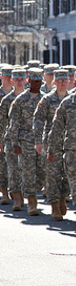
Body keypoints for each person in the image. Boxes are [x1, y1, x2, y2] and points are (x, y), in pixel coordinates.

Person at [47, 70, 76, 229]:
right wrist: (52, 149)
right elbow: (57, 127)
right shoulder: (67, 103)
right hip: (72, 150)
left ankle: (66, 197)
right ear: (75, 83)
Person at [7, 68, 45, 216]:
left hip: (42, 142)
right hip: (26, 141)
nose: (37, 84)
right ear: (29, 82)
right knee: (29, 171)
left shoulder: (45, 99)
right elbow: (13, 123)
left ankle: (28, 191)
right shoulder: (21, 100)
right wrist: (14, 143)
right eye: (34, 81)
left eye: (39, 81)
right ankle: (32, 202)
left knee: (42, 173)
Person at [33, 69, 70, 221]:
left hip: (70, 142)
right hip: (52, 143)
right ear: (54, 82)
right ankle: (54, 205)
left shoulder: (73, 99)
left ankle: (63, 195)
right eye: (59, 80)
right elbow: (38, 120)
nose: (62, 83)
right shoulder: (47, 100)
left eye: (64, 80)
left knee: (69, 174)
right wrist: (38, 141)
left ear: (68, 81)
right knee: (53, 175)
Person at [0, 68, 26, 211]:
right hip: (10, 139)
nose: (19, 82)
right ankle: (15, 196)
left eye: (21, 79)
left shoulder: (32, 98)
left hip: (28, 140)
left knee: (28, 170)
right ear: (12, 81)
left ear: (25, 80)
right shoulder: (7, 100)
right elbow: (2, 122)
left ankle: (23, 192)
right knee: (13, 168)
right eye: (16, 80)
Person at [0, 65, 13, 205]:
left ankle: (15, 190)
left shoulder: (20, 95)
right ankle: (4, 191)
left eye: (11, 76)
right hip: (1, 132)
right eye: (7, 76)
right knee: (2, 165)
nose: (9, 79)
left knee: (15, 165)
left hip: (14, 135)